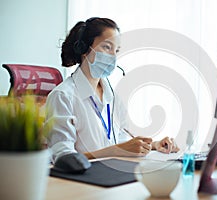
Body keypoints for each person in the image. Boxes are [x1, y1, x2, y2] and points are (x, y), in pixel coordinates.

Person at [45, 17, 179, 162]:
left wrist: (154, 145)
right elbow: (64, 158)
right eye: (107, 47)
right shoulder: (62, 96)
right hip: (81, 180)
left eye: (116, 50)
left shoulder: (111, 95)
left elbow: (122, 138)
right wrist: (115, 150)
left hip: (110, 175)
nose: (113, 57)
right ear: (84, 48)